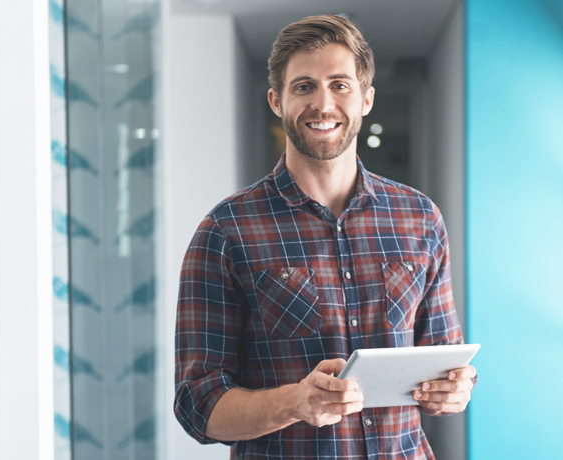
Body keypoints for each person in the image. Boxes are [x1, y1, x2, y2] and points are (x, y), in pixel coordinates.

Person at [174, 14, 477, 460]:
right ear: (276, 101)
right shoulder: (225, 231)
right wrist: (294, 402)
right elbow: (197, 404)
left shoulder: (420, 218)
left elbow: (446, 359)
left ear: (366, 98)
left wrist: (456, 390)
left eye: (340, 85)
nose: (323, 104)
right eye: (304, 87)